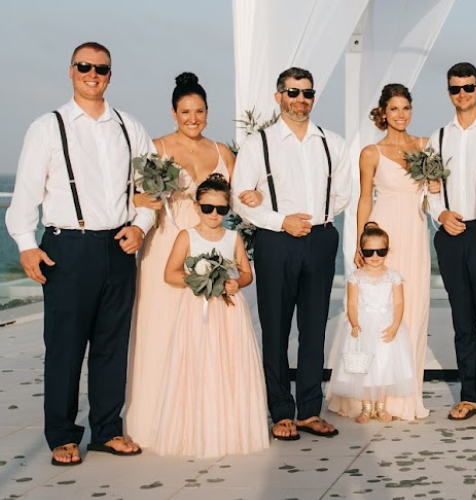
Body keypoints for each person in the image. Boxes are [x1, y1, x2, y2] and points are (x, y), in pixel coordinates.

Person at [5, 41, 151, 465]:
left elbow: (149, 190)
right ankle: (63, 434)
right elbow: (25, 196)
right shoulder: (47, 127)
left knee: (112, 345)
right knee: (66, 347)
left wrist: (141, 227)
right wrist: (27, 245)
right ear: (70, 71)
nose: (93, 74)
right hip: (67, 247)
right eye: (84, 66)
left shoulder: (129, 126)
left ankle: (107, 429)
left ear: (110, 74)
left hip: (119, 247)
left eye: (101, 68)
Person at [126, 72, 255, 447]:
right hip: (166, 245)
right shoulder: (157, 149)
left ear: (208, 113)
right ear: (173, 112)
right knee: (161, 333)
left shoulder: (222, 154)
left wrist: (254, 199)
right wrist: (139, 202)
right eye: (186, 111)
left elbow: (242, 197)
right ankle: (155, 422)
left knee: (210, 336)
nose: (193, 118)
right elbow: (134, 197)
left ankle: (209, 420)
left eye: (199, 111)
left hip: (212, 248)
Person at [231, 67, 354, 440]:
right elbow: (240, 197)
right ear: (278, 96)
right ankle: (282, 411)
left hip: (320, 239)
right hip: (276, 241)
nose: (301, 99)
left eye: (307, 93)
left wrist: (317, 220)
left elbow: (344, 194)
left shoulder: (332, 143)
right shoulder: (259, 144)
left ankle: (309, 411)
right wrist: (280, 220)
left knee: (314, 328)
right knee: (276, 327)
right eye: (293, 92)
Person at [148, 174, 269, 457]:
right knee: (200, 364)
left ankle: (232, 429)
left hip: (228, 310)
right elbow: (171, 273)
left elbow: (247, 272)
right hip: (197, 310)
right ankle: (200, 428)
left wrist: (236, 282)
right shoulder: (186, 236)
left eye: (221, 209)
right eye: (208, 208)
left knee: (229, 365)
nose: (214, 215)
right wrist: (201, 282)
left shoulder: (233, 237)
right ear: (197, 206)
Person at [337, 83, 431, 421]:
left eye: (406, 108)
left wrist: (435, 187)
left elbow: (435, 191)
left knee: (412, 310)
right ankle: (371, 393)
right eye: (394, 109)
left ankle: (404, 395)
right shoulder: (371, 153)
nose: (401, 114)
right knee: (376, 310)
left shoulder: (424, 146)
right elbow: (364, 200)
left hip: (416, 232)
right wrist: (361, 243)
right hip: (383, 234)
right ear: (383, 113)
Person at [426, 63, 476, 426]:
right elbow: (428, 190)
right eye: (455, 89)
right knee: (461, 320)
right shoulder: (437, 137)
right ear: (448, 92)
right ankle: (470, 395)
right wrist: (441, 215)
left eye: (468, 87)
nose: (462, 94)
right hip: (451, 234)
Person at [327, 222, 416, 424]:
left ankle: (381, 406)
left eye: (380, 251)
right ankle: (367, 407)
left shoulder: (393, 277)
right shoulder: (355, 277)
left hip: (386, 327)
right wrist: (355, 323)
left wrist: (395, 326)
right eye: (369, 252)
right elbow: (352, 303)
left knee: (385, 365)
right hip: (363, 326)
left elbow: (399, 303)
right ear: (361, 252)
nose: (375, 257)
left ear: (388, 250)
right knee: (364, 367)